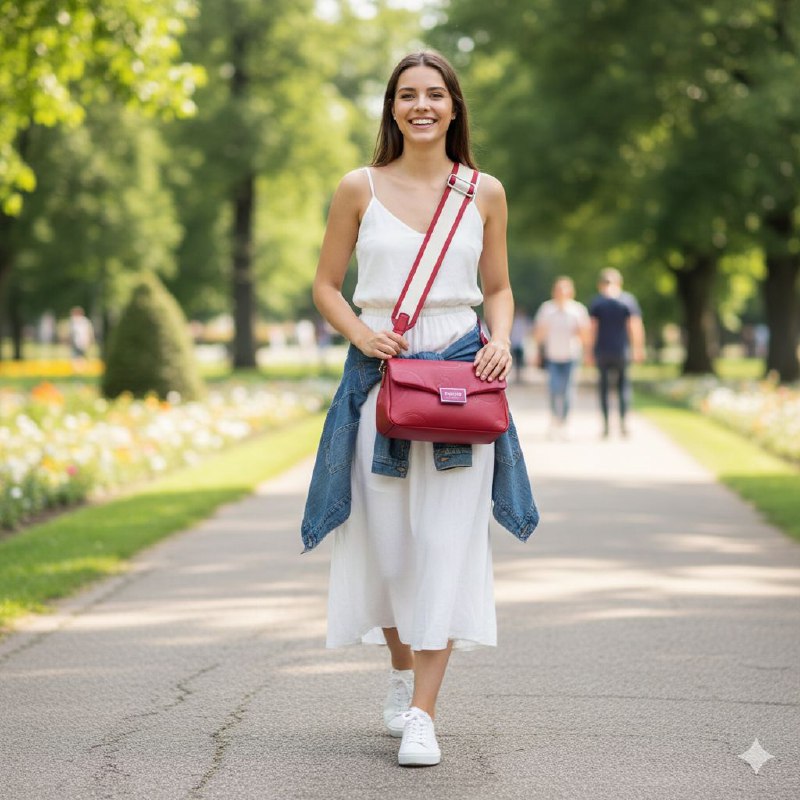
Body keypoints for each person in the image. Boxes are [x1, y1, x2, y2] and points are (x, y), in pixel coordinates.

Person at [301, 51, 538, 768]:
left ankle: (423, 716)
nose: (422, 106)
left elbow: (498, 288)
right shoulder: (358, 187)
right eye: (408, 95)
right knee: (389, 549)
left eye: (435, 94)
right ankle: (403, 674)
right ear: (392, 108)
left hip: (461, 378)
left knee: (445, 544)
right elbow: (326, 286)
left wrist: (501, 338)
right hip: (381, 380)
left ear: (454, 106)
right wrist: (361, 333)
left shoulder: (484, 192)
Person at [587, 268, 645, 437]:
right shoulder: (628, 301)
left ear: (600, 284)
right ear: (620, 283)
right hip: (622, 350)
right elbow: (634, 326)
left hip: (603, 351)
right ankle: (623, 424)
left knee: (604, 389)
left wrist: (588, 351)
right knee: (623, 387)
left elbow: (592, 329)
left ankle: (606, 426)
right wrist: (638, 348)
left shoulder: (597, 302)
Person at [533, 277, 590, 437]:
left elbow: (585, 336)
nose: (562, 293)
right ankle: (554, 419)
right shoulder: (547, 309)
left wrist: (587, 351)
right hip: (552, 356)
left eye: (565, 290)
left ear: (571, 292)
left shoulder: (578, 310)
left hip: (572, 356)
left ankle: (564, 422)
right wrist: (537, 352)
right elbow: (539, 334)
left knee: (568, 390)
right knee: (553, 389)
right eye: (559, 290)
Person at [68, 306, 94, 371]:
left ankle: (81, 369)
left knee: (81, 356)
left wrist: (88, 341)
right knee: (75, 356)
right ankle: (77, 369)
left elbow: (88, 332)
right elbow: (71, 333)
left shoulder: (84, 321)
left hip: (83, 342)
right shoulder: (73, 321)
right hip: (75, 342)